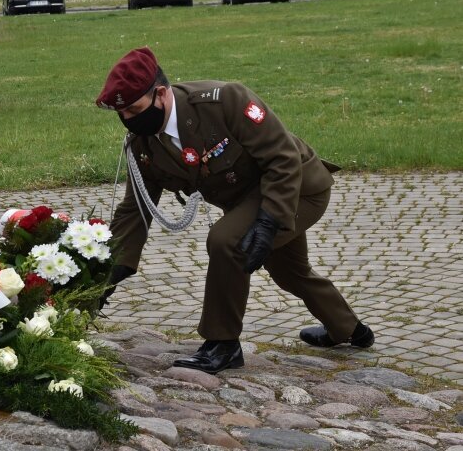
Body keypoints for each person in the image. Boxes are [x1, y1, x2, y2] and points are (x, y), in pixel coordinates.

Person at [96, 47, 374, 375]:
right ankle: (350, 330)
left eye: (133, 109)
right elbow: (135, 210)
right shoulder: (143, 143)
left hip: (297, 189)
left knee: (227, 240)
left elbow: (282, 157)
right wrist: (108, 271)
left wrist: (270, 219)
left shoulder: (223, 101)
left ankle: (222, 344)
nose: (128, 119)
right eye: (121, 113)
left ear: (159, 94)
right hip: (247, 201)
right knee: (290, 272)